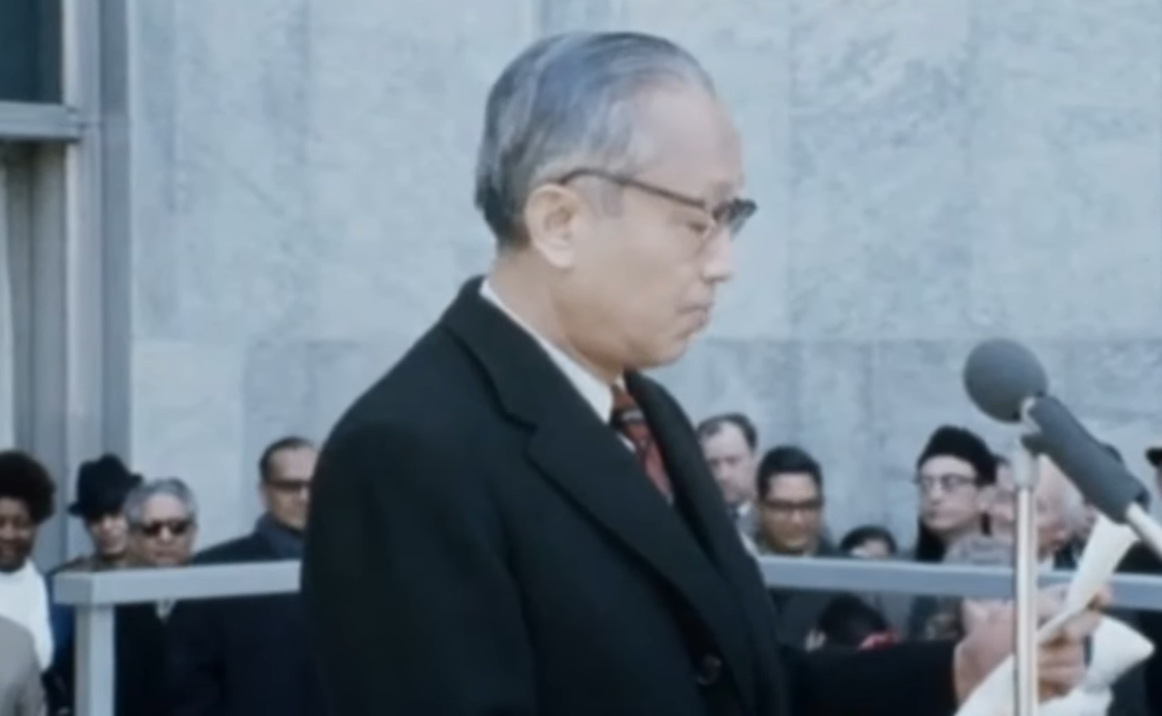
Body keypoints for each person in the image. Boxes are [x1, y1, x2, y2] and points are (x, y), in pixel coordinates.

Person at [302, 30, 1103, 716]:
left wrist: (960, 672)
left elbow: (748, 689)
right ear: (559, 221)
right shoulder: (407, 454)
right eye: (696, 221)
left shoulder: (646, 414)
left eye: (731, 219)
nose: (723, 264)